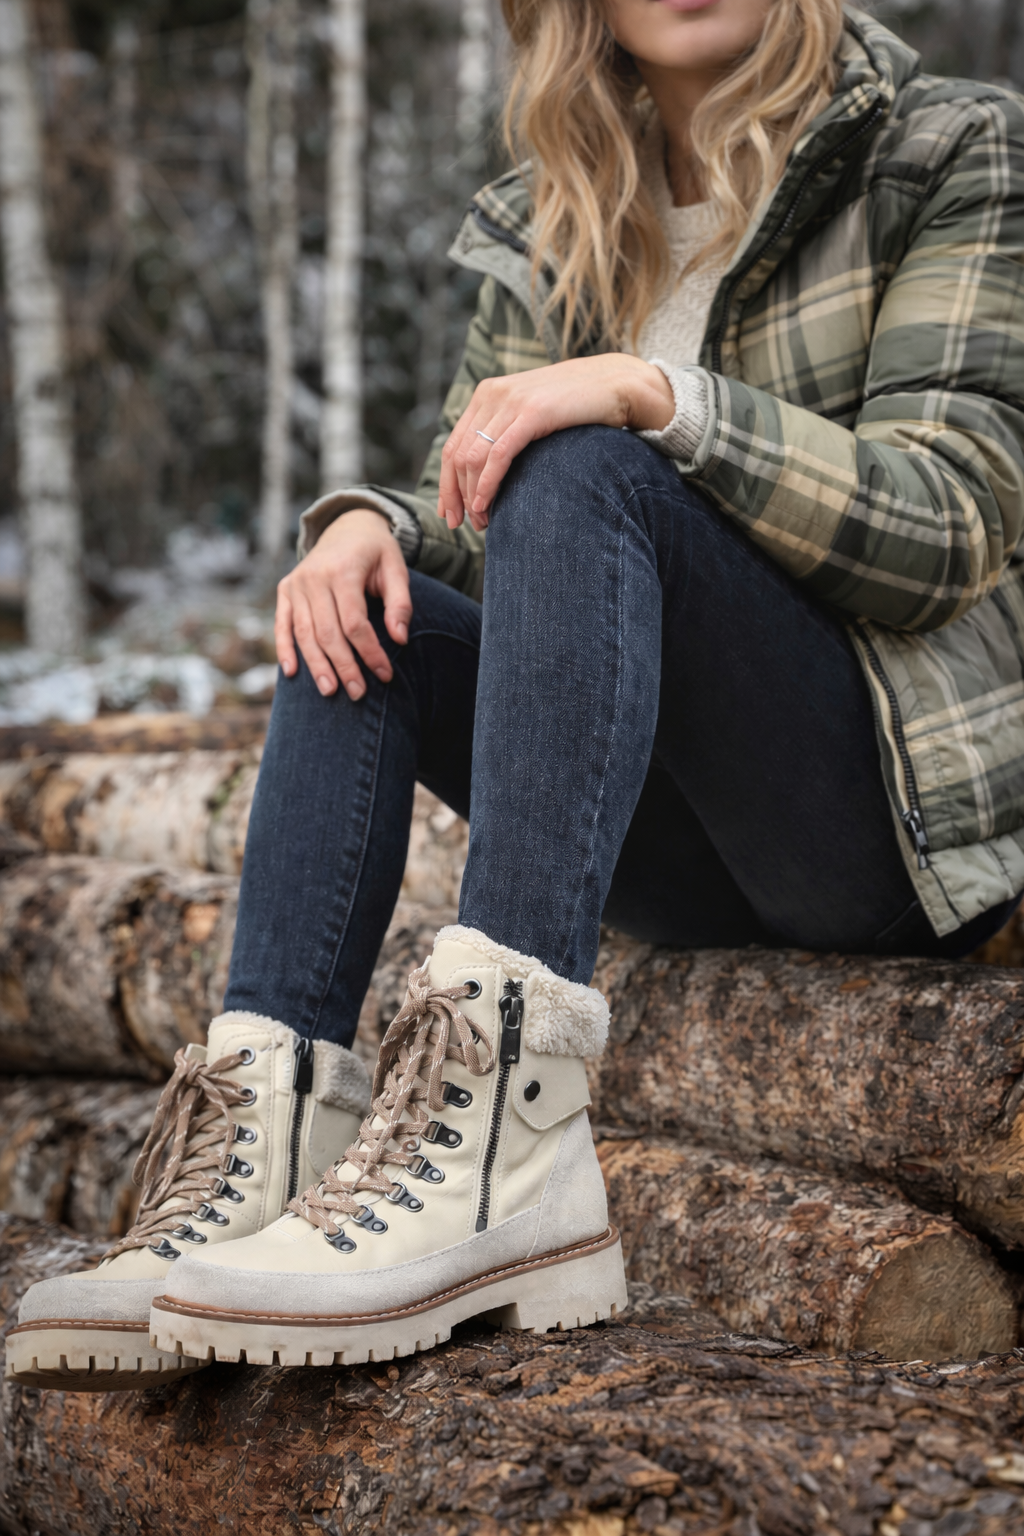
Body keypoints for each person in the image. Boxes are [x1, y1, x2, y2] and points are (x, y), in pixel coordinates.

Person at [10, 0, 1024, 1386]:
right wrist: (372, 522)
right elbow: (486, 524)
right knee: (359, 614)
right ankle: (263, 1160)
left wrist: (653, 397)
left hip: (882, 811)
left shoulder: (948, 149)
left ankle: (505, 1140)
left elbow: (949, 520)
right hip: (678, 845)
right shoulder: (546, 211)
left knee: (587, 457)